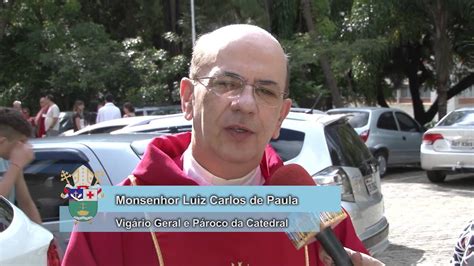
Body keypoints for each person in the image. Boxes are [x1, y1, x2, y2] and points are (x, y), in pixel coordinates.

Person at [63, 24, 382, 265]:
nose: (245, 104)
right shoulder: (105, 221)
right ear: (187, 98)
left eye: (266, 92)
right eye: (226, 84)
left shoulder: (312, 210)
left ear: (280, 118)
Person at [0, 108, 41, 224]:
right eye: (21, 142)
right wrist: (15, 165)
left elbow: (26, 203)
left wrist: (46, 238)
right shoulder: (14, 164)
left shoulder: (11, 162)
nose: (25, 147)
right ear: (2, 141)